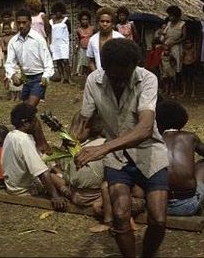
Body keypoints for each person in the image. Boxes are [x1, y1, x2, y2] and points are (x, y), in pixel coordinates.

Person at [72, 38, 169, 257]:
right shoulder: (93, 81)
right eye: (115, 78)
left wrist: (102, 149)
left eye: (126, 77)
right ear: (105, 69)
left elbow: (144, 129)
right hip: (117, 158)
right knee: (120, 215)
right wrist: (72, 139)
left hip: (149, 151)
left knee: (159, 219)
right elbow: (84, 121)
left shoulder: (147, 79)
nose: (121, 83)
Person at [1, 103, 68, 211]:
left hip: (11, 185)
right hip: (23, 189)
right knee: (60, 180)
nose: (37, 124)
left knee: (53, 167)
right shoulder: (24, 140)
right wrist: (55, 196)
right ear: (25, 123)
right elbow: (42, 172)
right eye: (35, 120)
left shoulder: (11, 135)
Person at [4, 8, 53, 154]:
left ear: (30, 23)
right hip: (26, 78)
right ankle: (41, 144)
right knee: (29, 115)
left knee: (26, 112)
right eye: (18, 23)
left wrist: (46, 76)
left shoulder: (38, 39)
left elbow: (48, 61)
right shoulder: (14, 41)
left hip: (39, 77)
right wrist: (12, 75)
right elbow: (9, 63)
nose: (21, 26)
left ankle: (36, 146)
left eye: (24, 23)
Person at [156, 100, 204, 216]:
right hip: (188, 205)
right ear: (182, 119)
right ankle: (203, 188)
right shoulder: (190, 137)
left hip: (157, 204)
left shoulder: (154, 140)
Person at [86, 7, 124, 71]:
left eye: (108, 21)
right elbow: (91, 61)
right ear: (98, 23)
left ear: (112, 24)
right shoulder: (93, 40)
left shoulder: (120, 38)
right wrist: (96, 74)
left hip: (117, 74)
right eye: (102, 21)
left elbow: (125, 59)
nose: (105, 24)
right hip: (99, 76)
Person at [162, 5, 186, 95]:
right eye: (169, 15)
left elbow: (184, 37)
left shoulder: (182, 24)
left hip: (176, 47)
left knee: (177, 68)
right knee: (167, 67)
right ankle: (168, 88)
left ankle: (177, 88)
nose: (170, 17)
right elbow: (164, 34)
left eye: (172, 15)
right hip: (167, 47)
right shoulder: (168, 24)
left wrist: (175, 42)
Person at [49, 2, 73, 84]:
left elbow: (69, 31)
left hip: (63, 44)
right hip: (55, 44)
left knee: (65, 61)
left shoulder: (66, 21)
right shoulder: (51, 22)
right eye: (56, 12)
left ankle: (69, 78)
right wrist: (51, 44)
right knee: (58, 61)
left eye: (59, 11)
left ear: (62, 11)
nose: (58, 13)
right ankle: (62, 77)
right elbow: (50, 33)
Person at [75, 10, 94, 77]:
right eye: (83, 19)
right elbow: (78, 39)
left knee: (89, 61)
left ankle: (89, 73)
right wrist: (77, 46)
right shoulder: (79, 30)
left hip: (90, 48)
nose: (84, 21)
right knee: (82, 61)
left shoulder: (92, 29)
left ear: (89, 20)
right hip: (82, 48)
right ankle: (81, 73)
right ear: (80, 20)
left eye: (86, 19)